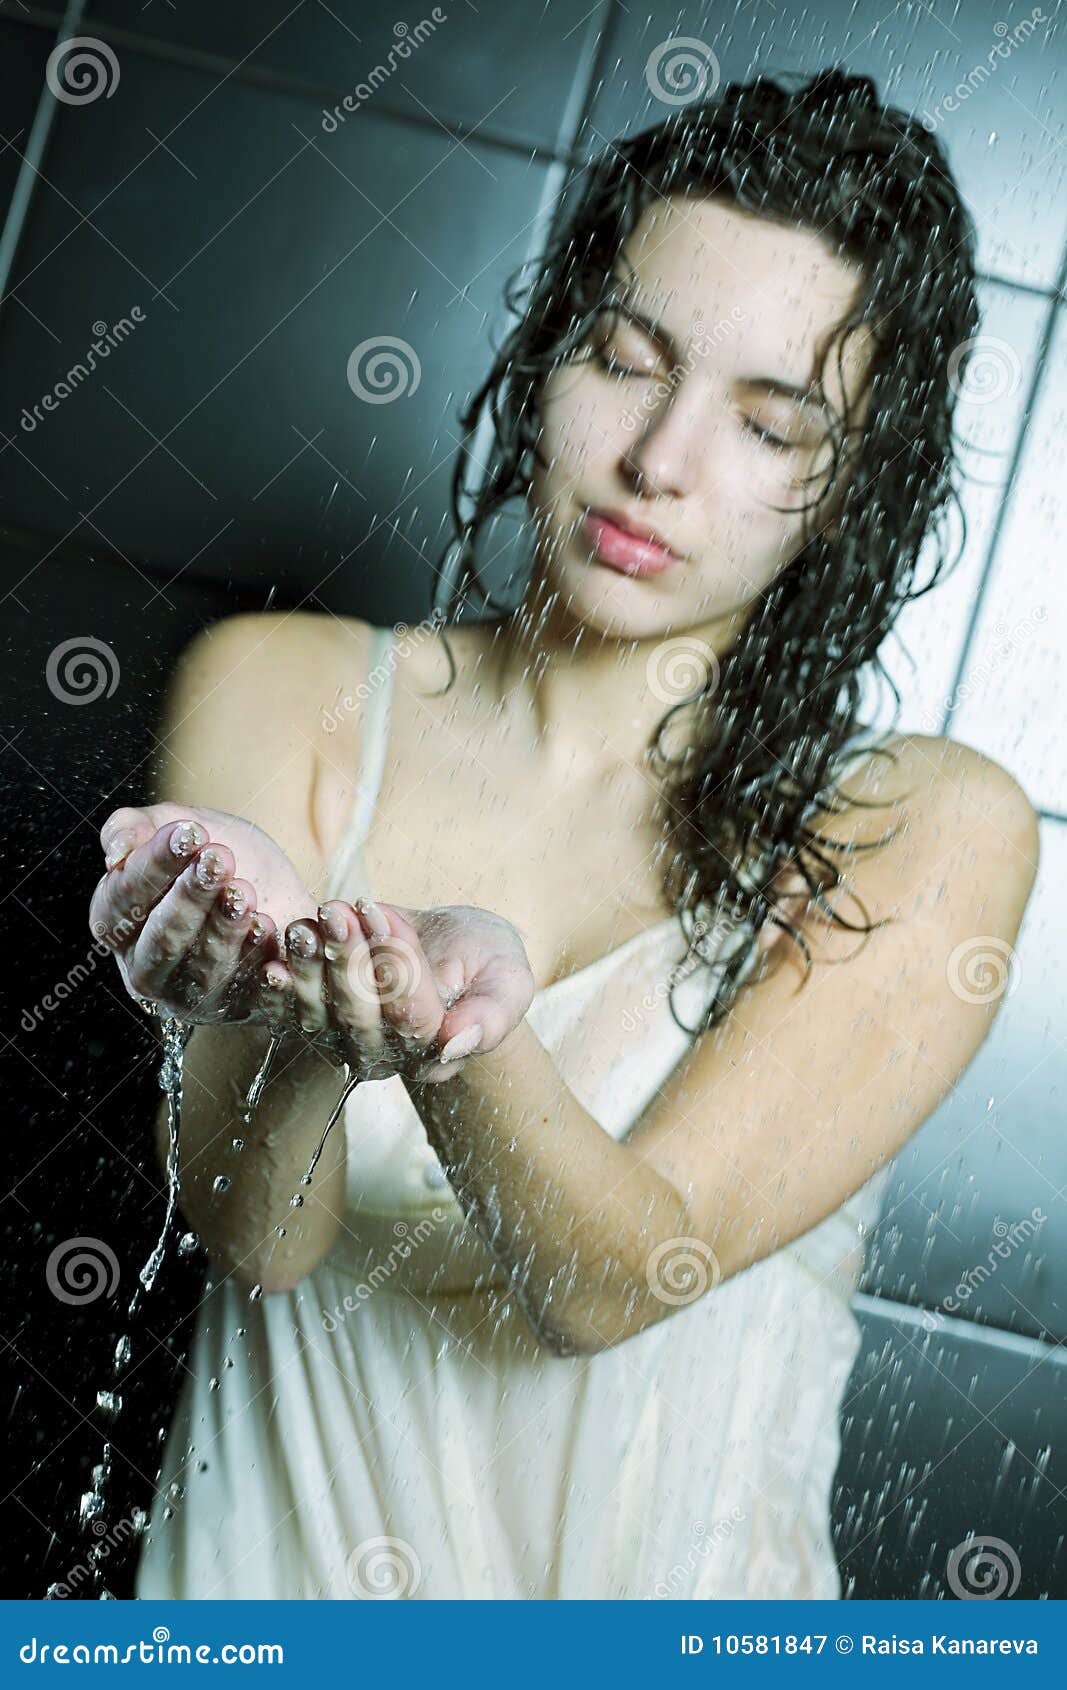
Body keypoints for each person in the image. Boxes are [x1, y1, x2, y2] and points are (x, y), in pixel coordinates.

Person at [90, 69, 1038, 1599]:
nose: (661, 458)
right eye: (626, 356)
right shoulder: (290, 689)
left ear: (853, 482)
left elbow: (608, 1280)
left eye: (770, 422)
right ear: (548, 350)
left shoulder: (918, 829)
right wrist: (318, 1022)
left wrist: (453, 1026)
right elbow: (259, 1237)